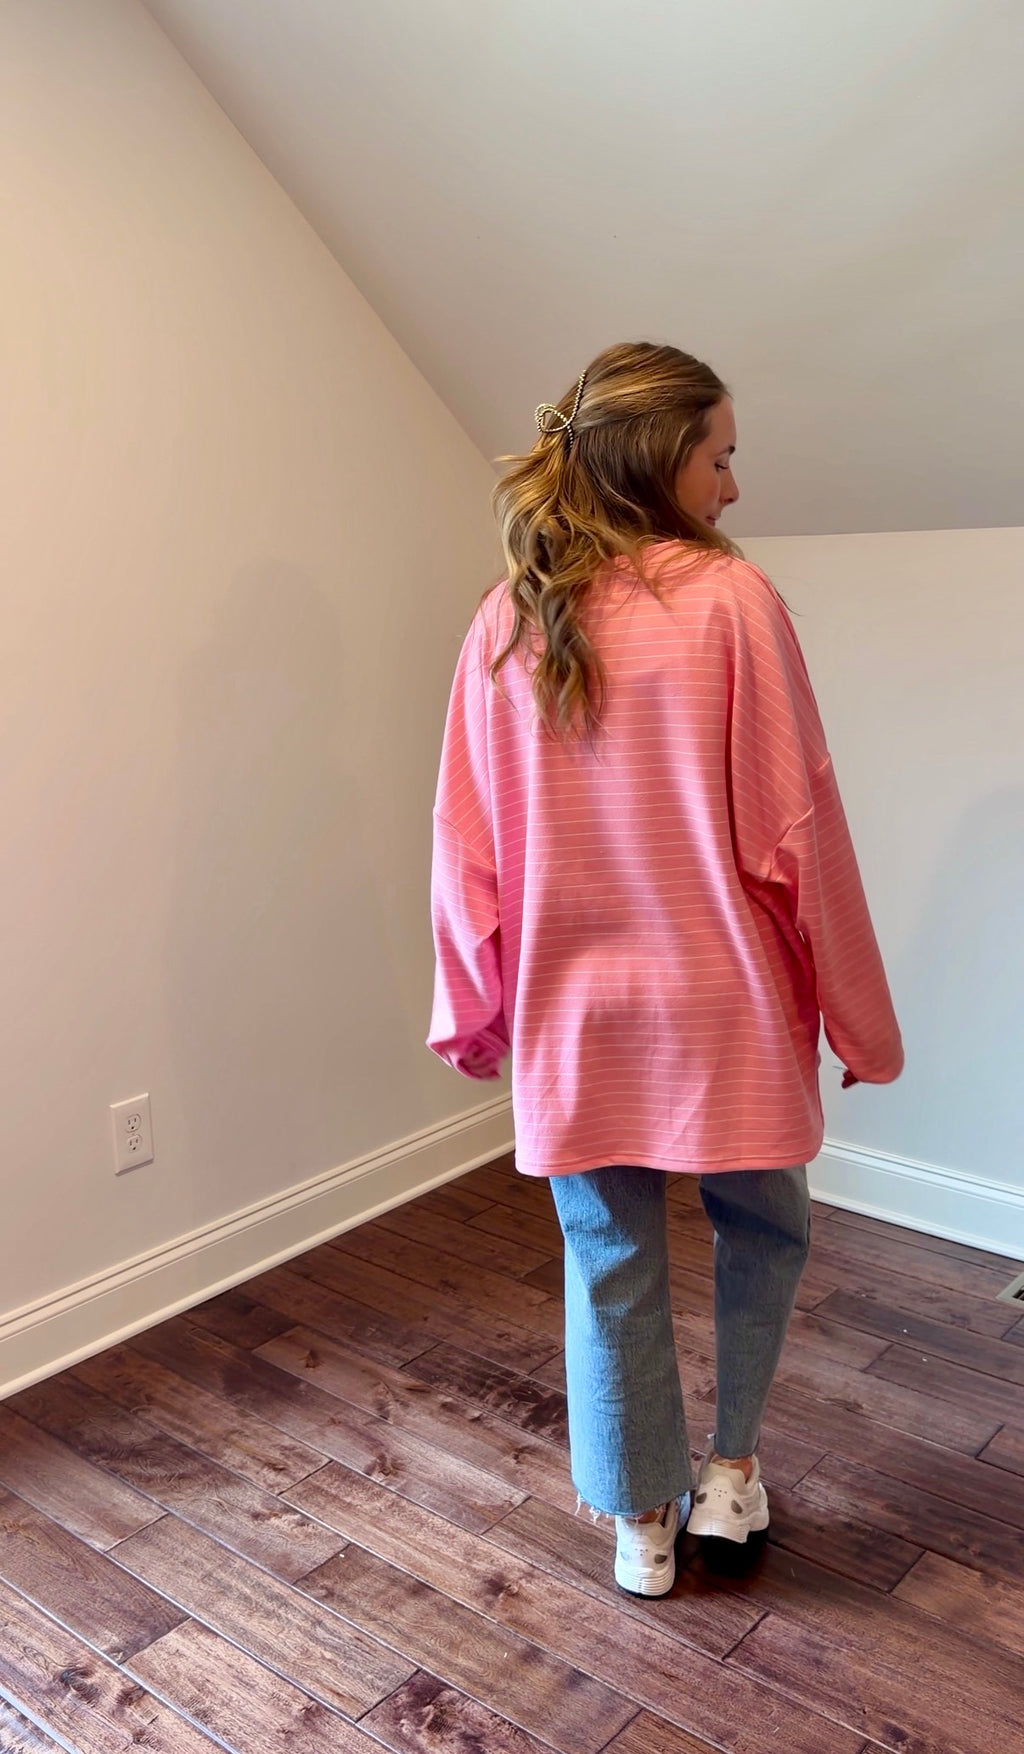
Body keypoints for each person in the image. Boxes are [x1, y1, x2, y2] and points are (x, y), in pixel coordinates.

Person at [428, 342, 903, 1597]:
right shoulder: (732, 602)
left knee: (609, 1258)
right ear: (659, 457)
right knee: (765, 1227)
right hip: (723, 1003)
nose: (735, 487)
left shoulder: (507, 613)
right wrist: (860, 1018)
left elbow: (464, 852)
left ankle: (641, 1520)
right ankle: (731, 1473)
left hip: (573, 1018)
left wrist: (474, 1014)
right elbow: (800, 829)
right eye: (722, 454)